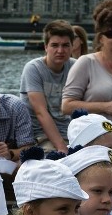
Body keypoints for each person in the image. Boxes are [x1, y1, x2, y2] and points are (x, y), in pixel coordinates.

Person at [20, 20, 76, 152]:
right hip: (40, 134)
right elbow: (41, 112)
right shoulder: (33, 69)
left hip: (71, 132)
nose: (60, 50)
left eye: (65, 45)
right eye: (55, 45)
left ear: (72, 47)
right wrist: (61, 147)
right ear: (46, 47)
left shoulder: (76, 66)